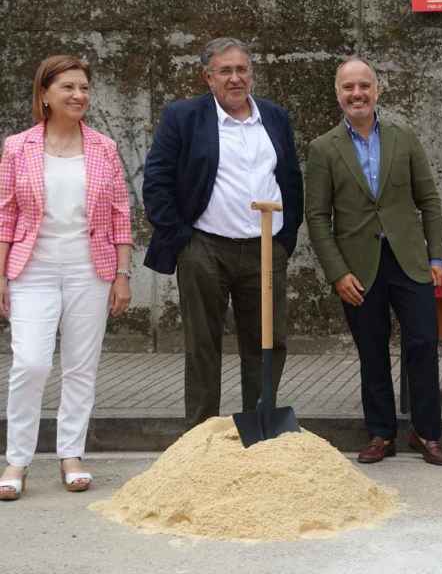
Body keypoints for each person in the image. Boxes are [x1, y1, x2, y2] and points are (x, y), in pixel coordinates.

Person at [142, 37, 303, 429]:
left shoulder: (274, 117)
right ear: (208, 77)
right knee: (202, 345)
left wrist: (284, 240)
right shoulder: (184, 117)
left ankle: (258, 427)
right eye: (225, 71)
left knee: (267, 344)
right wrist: (183, 241)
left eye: (242, 69)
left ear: (252, 73)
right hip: (205, 248)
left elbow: (291, 180)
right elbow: (157, 182)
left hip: (265, 248)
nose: (236, 78)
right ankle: (200, 435)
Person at [305, 57, 442, 466]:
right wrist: (337, 273)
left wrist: (436, 254)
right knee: (371, 350)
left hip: (409, 260)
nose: (357, 94)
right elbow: (317, 218)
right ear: (338, 94)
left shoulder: (404, 137)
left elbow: (429, 200)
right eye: (349, 87)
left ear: (377, 90)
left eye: (364, 86)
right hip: (357, 268)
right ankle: (381, 434)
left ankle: (427, 434)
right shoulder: (323, 149)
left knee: (423, 343)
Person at [0, 55, 133, 500]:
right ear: (45, 94)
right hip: (31, 268)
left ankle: (71, 454)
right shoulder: (17, 146)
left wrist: (122, 274)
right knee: (31, 363)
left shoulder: (104, 147)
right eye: (68, 88)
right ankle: (17, 459)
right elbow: (5, 215)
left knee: (81, 366)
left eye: (84, 88)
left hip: (88, 268)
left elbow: (120, 215)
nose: (79, 96)